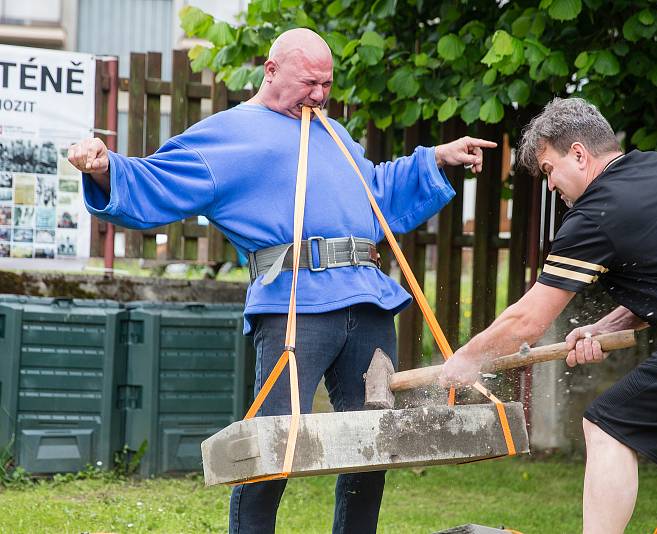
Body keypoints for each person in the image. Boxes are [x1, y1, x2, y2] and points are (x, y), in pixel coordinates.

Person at [68, 27, 496, 534]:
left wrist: (436, 158)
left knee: (373, 444)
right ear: (271, 71)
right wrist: (102, 170)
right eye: (309, 83)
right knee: (273, 446)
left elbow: (376, 190)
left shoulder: (334, 136)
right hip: (296, 308)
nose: (319, 95)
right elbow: (157, 180)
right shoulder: (226, 135)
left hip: (369, 302)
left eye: (327, 85)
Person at [439, 97, 657, 533]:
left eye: (550, 170)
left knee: (607, 425)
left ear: (578, 153)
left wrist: (466, 358)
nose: (550, 187)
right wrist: (604, 326)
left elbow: (527, 321)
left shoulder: (597, 213)